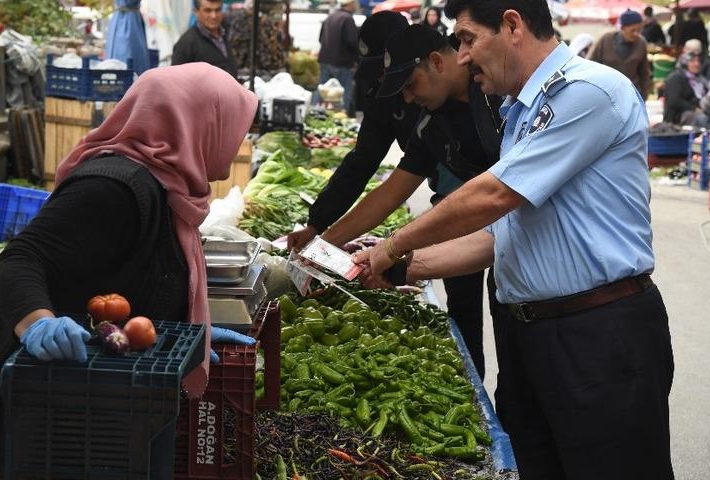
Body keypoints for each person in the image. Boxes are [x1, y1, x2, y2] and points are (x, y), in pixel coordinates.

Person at [355, 0, 675, 477]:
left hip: (599, 336)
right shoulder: (521, 113)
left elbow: (494, 195)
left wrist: (391, 246)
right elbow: (499, 238)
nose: (462, 57)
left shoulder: (589, 91)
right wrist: (400, 267)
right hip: (534, 337)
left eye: (467, 39)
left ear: (512, 25)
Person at [0, 64, 259, 480]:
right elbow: (22, 259)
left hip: (66, 402)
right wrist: (40, 324)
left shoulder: (169, 191)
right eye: (234, 125)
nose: (239, 140)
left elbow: (136, 279)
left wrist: (182, 334)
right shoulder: (116, 186)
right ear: (200, 123)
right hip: (4, 401)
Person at [321, 25, 504, 379]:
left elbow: (499, 191)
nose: (407, 98)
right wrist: (325, 241)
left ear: (436, 61)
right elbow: (392, 192)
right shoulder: (431, 123)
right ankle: (474, 384)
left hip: (521, 235)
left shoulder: (496, 94)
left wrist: (395, 247)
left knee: (511, 320)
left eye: (410, 85)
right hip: (465, 229)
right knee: (465, 316)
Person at [287, 11, 418, 252]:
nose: (381, 79)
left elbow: (399, 186)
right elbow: (361, 162)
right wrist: (317, 224)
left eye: (384, 69)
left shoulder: (444, 104)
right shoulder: (383, 95)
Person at [587, 9, 652, 99]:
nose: (636, 34)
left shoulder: (641, 43)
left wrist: (644, 96)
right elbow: (590, 65)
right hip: (606, 92)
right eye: (633, 30)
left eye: (639, 30)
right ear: (622, 28)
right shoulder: (605, 39)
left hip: (631, 93)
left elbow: (644, 73)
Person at [313, 0, 360, 112]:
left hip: (325, 60)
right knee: (344, 93)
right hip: (342, 62)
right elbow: (352, 41)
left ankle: (314, 111)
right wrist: (358, 59)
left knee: (322, 89)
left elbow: (321, 39)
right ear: (351, 5)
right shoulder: (348, 19)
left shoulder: (330, 16)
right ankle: (342, 117)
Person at [172, 0, 237, 77]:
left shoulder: (225, 33)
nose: (214, 16)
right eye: (207, 11)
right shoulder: (186, 44)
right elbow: (175, 80)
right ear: (196, 12)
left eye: (218, 10)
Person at [664, 52, 709, 124]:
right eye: (692, 61)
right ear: (685, 63)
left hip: (697, 111)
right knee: (703, 119)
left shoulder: (700, 79)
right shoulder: (676, 77)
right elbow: (674, 101)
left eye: (698, 61)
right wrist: (694, 109)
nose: (697, 64)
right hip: (677, 117)